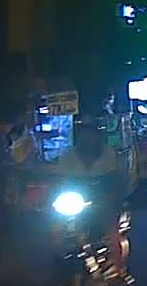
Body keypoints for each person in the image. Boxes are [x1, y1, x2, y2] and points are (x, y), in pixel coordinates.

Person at [55, 117, 129, 276]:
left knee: (112, 232)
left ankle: (119, 268)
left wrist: (111, 196)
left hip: (102, 200)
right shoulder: (68, 156)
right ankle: (59, 264)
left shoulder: (108, 153)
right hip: (76, 202)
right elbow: (62, 182)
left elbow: (114, 179)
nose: (88, 137)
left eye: (91, 133)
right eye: (84, 133)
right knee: (57, 230)